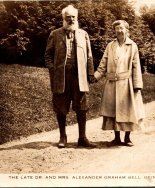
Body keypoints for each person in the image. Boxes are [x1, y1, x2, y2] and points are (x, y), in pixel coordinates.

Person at [45, 5, 97, 148]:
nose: (71, 19)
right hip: (61, 77)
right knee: (61, 107)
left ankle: (82, 138)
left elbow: (90, 56)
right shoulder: (55, 34)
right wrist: (52, 70)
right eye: (68, 17)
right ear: (63, 18)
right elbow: (48, 55)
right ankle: (63, 137)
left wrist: (91, 73)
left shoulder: (83, 34)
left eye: (73, 17)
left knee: (82, 107)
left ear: (77, 18)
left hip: (79, 76)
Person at [93, 20, 145, 146]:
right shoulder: (110, 45)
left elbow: (136, 66)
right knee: (113, 111)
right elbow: (103, 63)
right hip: (112, 83)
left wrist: (137, 84)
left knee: (128, 110)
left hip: (126, 83)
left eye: (121, 28)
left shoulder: (132, 46)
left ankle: (127, 137)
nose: (119, 31)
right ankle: (116, 138)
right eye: (116, 29)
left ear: (127, 30)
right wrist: (95, 76)